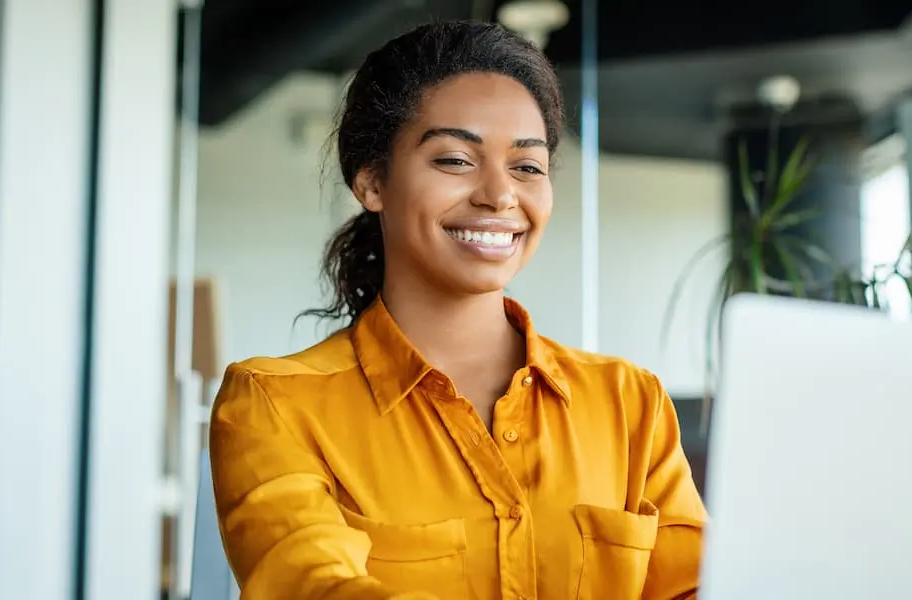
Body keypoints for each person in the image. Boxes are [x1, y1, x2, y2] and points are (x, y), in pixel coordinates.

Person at [209, 20, 707, 600]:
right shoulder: (275, 405)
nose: (499, 195)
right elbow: (316, 586)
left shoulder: (629, 404)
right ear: (371, 181)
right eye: (454, 160)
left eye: (527, 166)